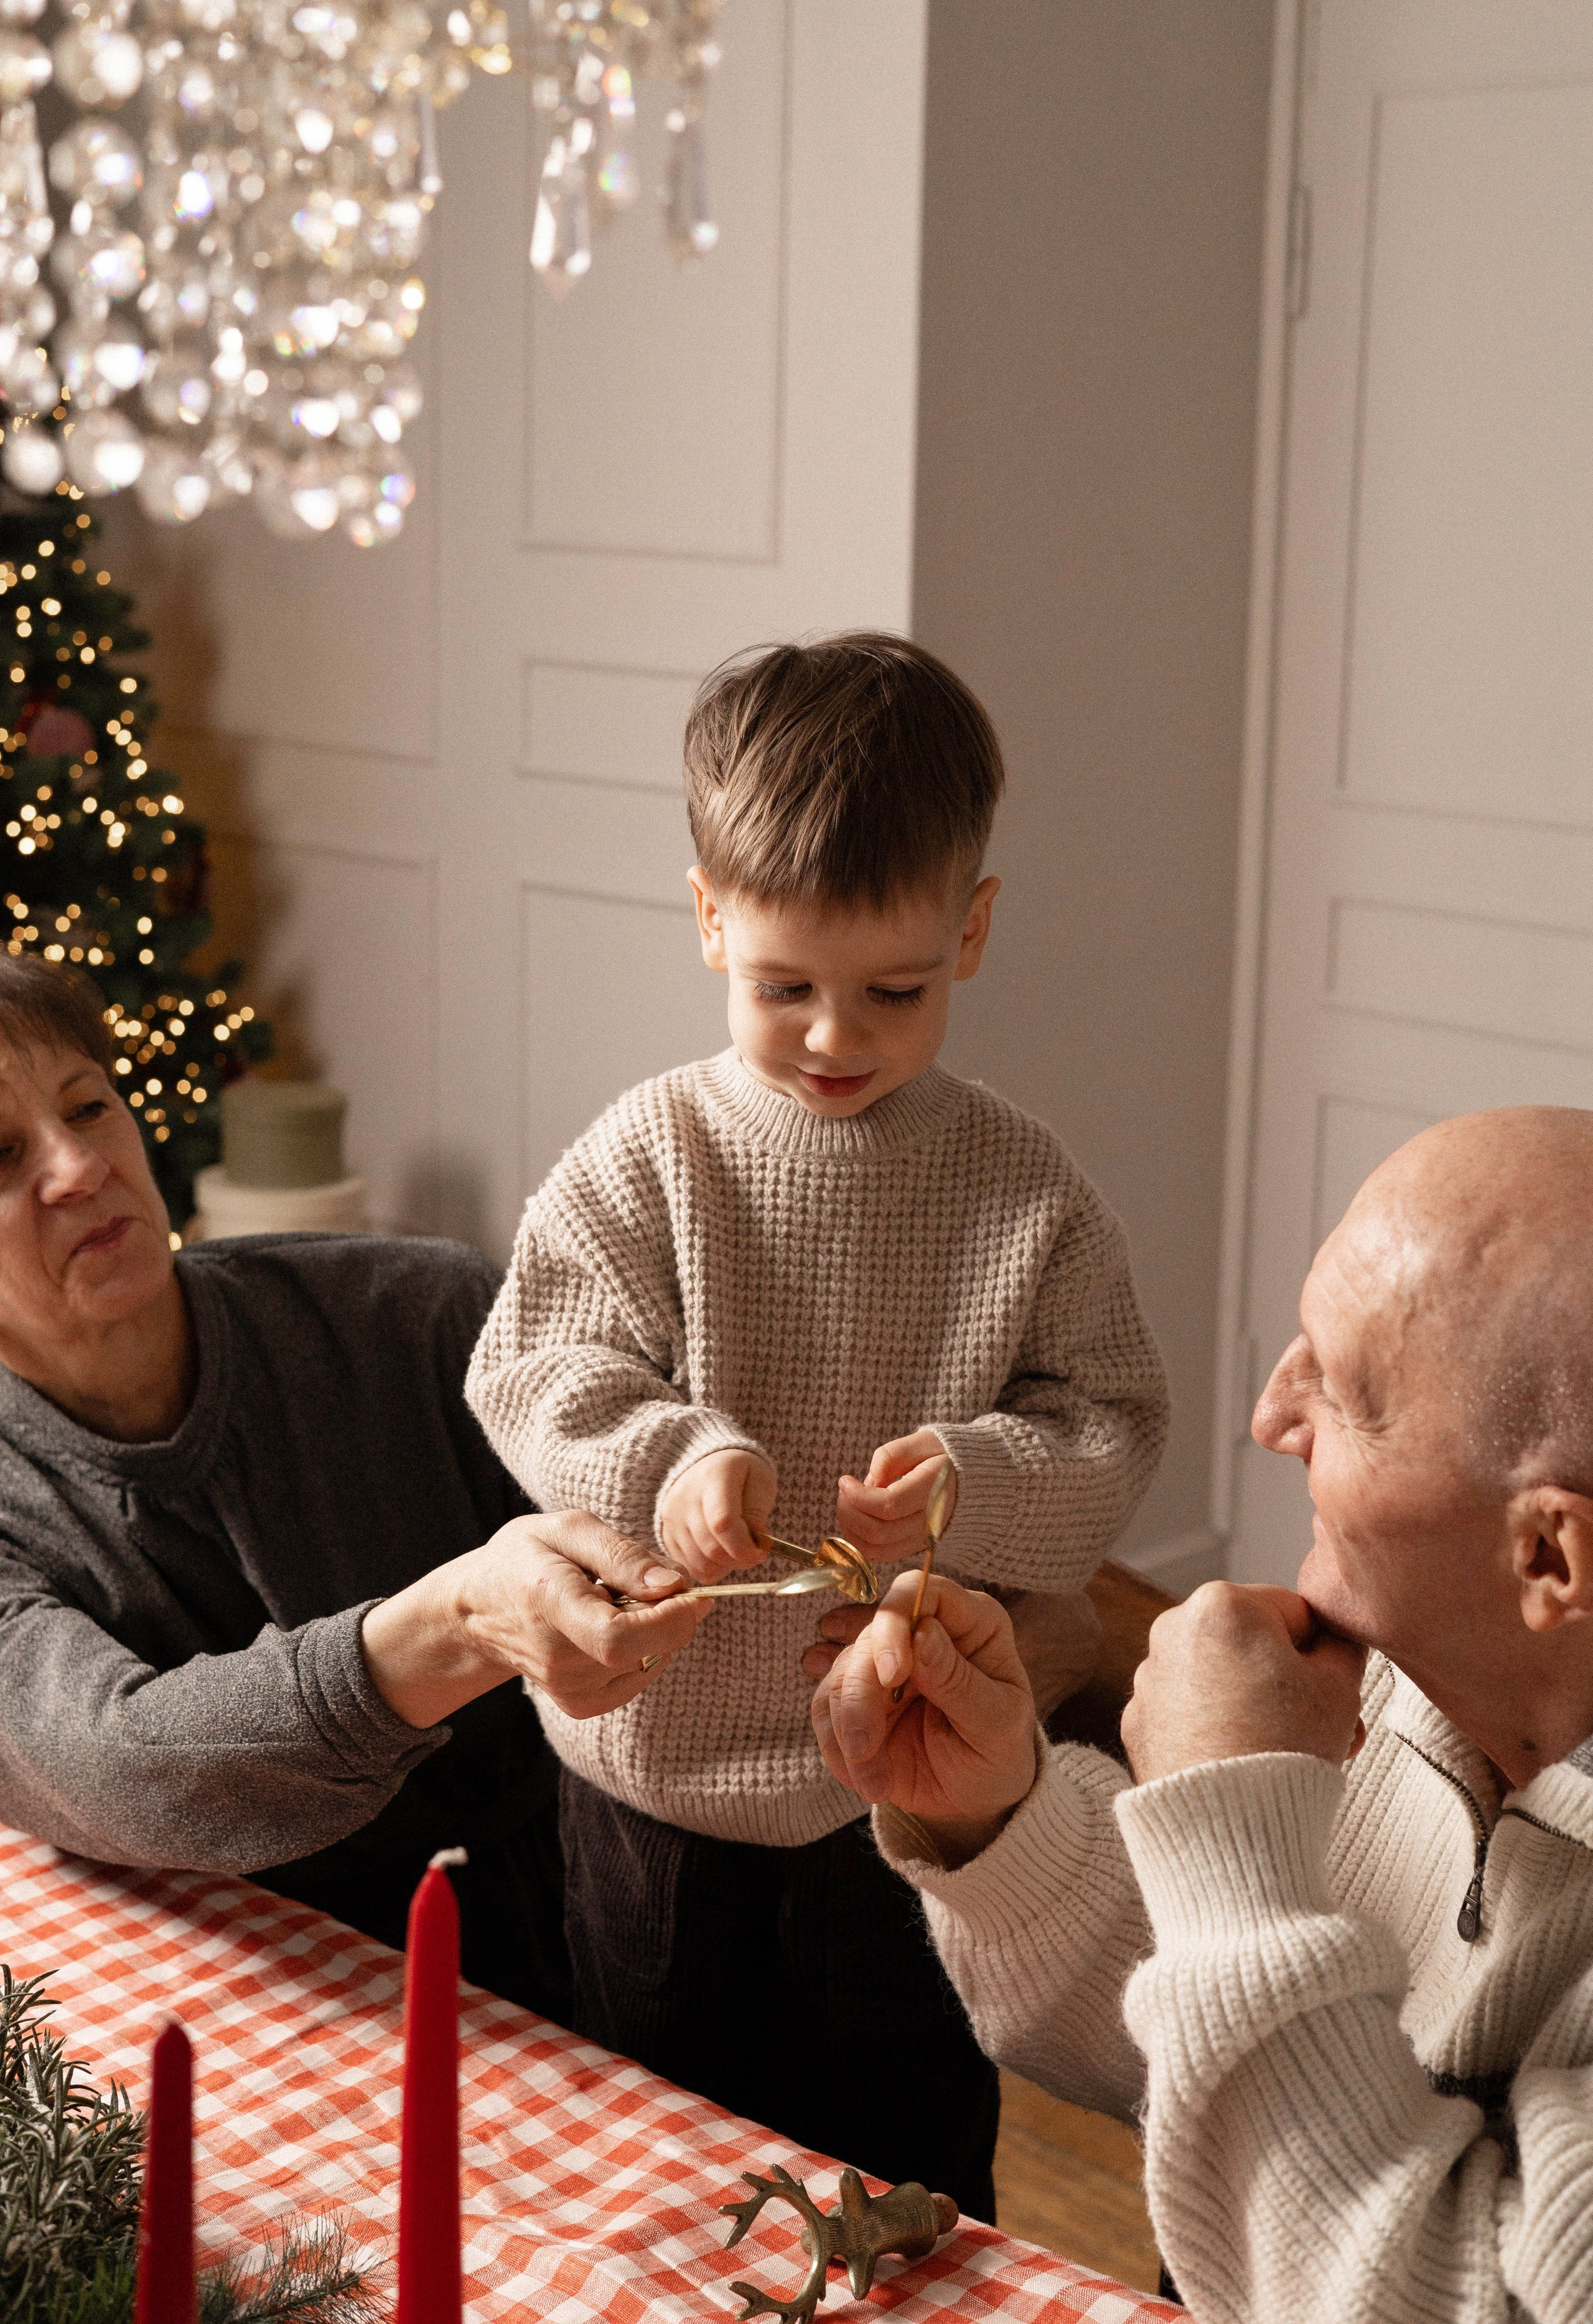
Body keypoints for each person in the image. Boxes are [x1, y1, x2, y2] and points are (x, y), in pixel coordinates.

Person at [465, 631, 1170, 2216]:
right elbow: (534, 1361)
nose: (835, 1036)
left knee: (900, 2164)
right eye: (783, 988)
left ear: (971, 931)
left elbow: (1112, 1425)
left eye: (891, 991)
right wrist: (675, 1457)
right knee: (658, 2153)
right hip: (650, 1786)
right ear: (707, 917)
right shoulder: (651, 1153)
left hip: (910, 1792)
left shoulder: (1023, 1190)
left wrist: (970, 1490)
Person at [810, 1105, 1593, 2323]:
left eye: (1346, 1394)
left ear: (1548, 1555)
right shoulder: (1403, 1684)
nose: (1270, 1419)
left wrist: (1228, 1816)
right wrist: (998, 1819)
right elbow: (1222, 2042)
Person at [0, 952, 706, 2015]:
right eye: (2, 1156)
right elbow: (117, 1761)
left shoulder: (427, 1317)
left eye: (89, 1106)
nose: (77, 1166)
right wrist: (459, 1623)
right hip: (264, 2012)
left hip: (600, 1936)